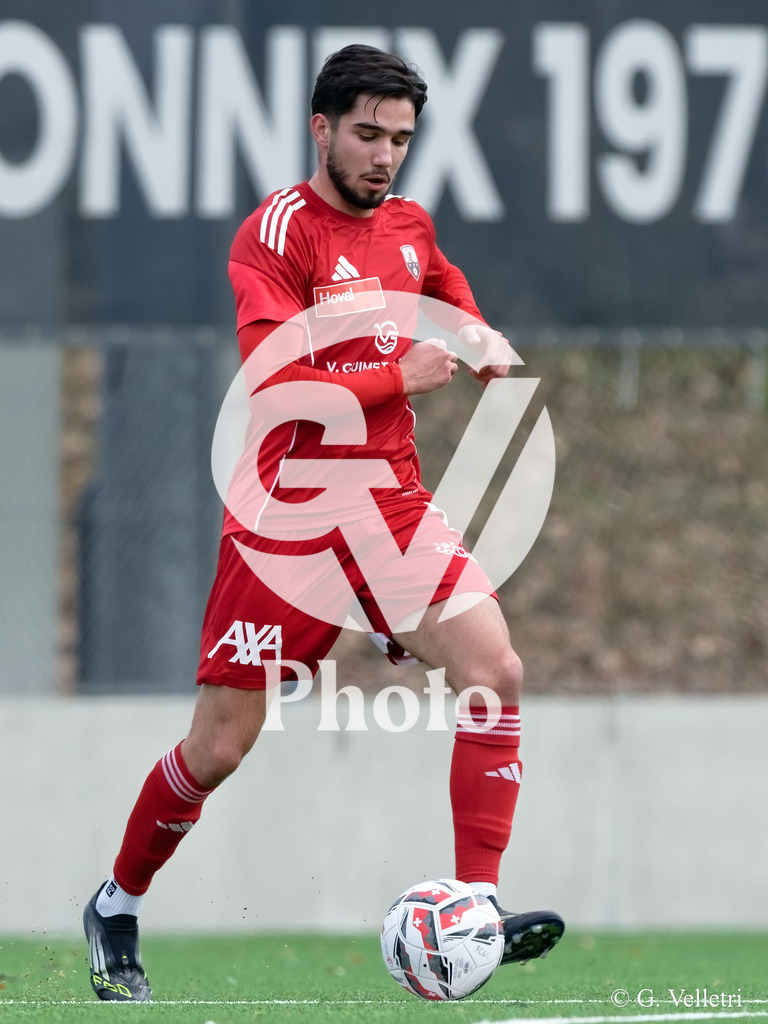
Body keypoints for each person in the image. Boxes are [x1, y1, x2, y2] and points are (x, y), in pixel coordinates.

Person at [83, 43, 564, 1002]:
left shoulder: (407, 225)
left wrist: (467, 327)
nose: (385, 157)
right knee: (219, 747)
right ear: (322, 127)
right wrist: (404, 373)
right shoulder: (276, 238)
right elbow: (271, 392)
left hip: (387, 508)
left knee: (494, 670)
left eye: (402, 139)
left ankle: (474, 903)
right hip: (287, 524)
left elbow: (441, 276)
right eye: (368, 135)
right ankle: (117, 901)